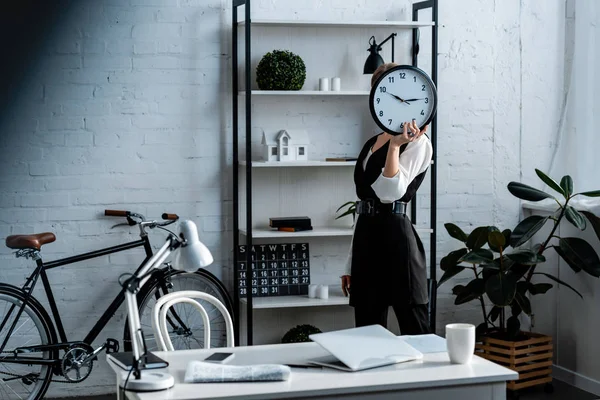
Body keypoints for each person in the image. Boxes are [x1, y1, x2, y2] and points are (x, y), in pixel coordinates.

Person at [340, 62, 433, 335]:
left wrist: (395, 145)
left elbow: (390, 193)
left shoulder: (418, 142)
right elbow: (365, 204)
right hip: (367, 240)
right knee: (367, 333)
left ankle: (432, 378)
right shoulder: (372, 143)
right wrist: (350, 263)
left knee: (416, 328)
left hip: (398, 241)